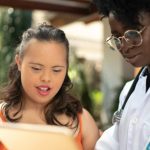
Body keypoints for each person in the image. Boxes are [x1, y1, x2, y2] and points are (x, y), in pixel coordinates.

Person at [0, 23, 100, 150]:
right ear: (19, 62)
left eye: (57, 70)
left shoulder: (83, 122)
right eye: (36, 68)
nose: (46, 78)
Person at [93, 0, 150, 150]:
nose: (124, 46)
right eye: (117, 37)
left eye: (133, 32)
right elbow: (113, 143)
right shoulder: (129, 91)